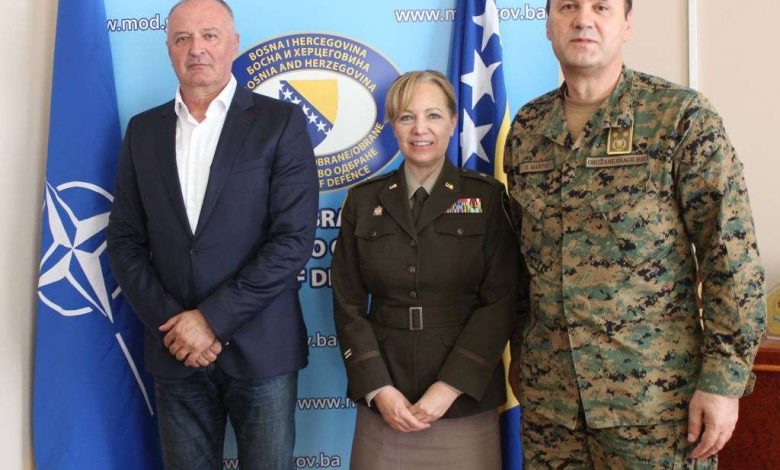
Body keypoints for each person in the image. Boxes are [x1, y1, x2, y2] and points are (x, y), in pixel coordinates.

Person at [505, 0, 766, 468]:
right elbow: (522, 263)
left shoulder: (680, 117)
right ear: (547, 25)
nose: (583, 19)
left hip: (655, 408)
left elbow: (730, 257)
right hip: (552, 409)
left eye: (601, 7)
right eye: (567, 6)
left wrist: (723, 382)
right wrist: (524, 360)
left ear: (626, 24)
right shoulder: (527, 128)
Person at [106, 0, 318, 468]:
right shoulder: (142, 131)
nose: (196, 48)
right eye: (182, 38)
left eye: (209, 35)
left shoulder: (280, 123)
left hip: (261, 350)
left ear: (233, 44)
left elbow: (292, 240)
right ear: (168, 49)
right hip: (175, 350)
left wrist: (211, 321)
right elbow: (123, 240)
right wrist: (176, 326)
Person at [331, 70, 520, 469]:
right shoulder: (363, 201)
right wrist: (378, 388)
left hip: (463, 397)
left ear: (453, 122)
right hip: (386, 397)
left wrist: (449, 387)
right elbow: (347, 302)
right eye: (406, 117)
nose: (420, 129)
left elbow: (501, 300)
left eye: (433, 115)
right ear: (392, 126)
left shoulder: (486, 198)